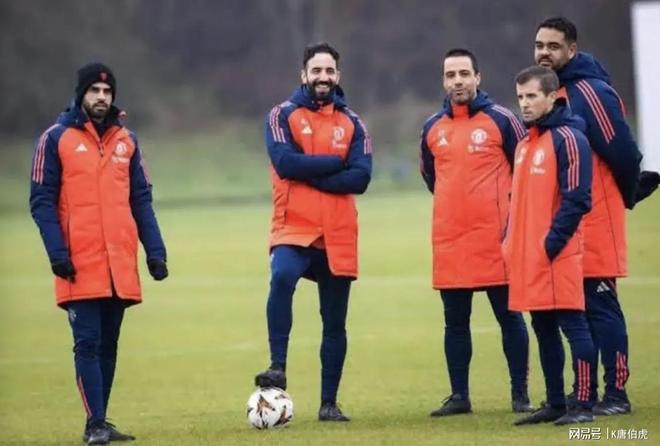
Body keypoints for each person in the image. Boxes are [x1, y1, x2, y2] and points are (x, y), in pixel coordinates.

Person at [30, 62, 168, 445]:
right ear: (81, 95)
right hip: (78, 262)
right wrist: (57, 253)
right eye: (94, 91)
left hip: (118, 264)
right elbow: (41, 202)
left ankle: (100, 421)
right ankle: (94, 425)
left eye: (107, 92)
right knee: (87, 342)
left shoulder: (128, 141)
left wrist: (155, 252)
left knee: (109, 345)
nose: (101, 97)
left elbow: (141, 200)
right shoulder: (55, 139)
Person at [534, 16, 659, 415]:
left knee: (601, 306)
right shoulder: (550, 93)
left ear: (572, 50)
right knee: (578, 309)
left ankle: (617, 394)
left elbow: (623, 152)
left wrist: (628, 195)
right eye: (540, 45)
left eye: (553, 46)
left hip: (597, 217)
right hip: (569, 221)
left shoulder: (590, 92)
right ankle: (583, 393)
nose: (544, 53)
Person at [254, 42, 372, 422]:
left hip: (338, 232)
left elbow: (362, 177)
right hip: (294, 226)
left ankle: (328, 404)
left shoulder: (353, 123)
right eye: (316, 70)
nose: (323, 77)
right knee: (281, 277)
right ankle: (277, 365)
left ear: (338, 75)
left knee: (334, 321)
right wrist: (336, 163)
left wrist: (312, 173)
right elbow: (285, 163)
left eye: (329, 71)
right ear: (303, 74)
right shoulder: (281, 115)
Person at [419, 48, 532, 417]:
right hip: (451, 240)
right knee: (455, 324)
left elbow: (525, 168)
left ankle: (520, 394)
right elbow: (432, 177)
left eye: (464, 74)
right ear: (443, 81)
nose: (458, 81)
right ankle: (459, 396)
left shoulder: (503, 120)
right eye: (451, 75)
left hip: (497, 241)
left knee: (509, 318)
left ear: (478, 78)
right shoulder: (432, 128)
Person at [506, 65, 595, 426]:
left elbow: (578, 199)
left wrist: (552, 243)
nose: (525, 104)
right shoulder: (525, 144)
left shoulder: (569, 138)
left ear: (553, 97)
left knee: (574, 327)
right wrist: (511, 242)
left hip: (556, 254)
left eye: (532, 96)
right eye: (521, 97)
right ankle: (556, 402)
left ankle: (584, 405)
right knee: (542, 328)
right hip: (529, 256)